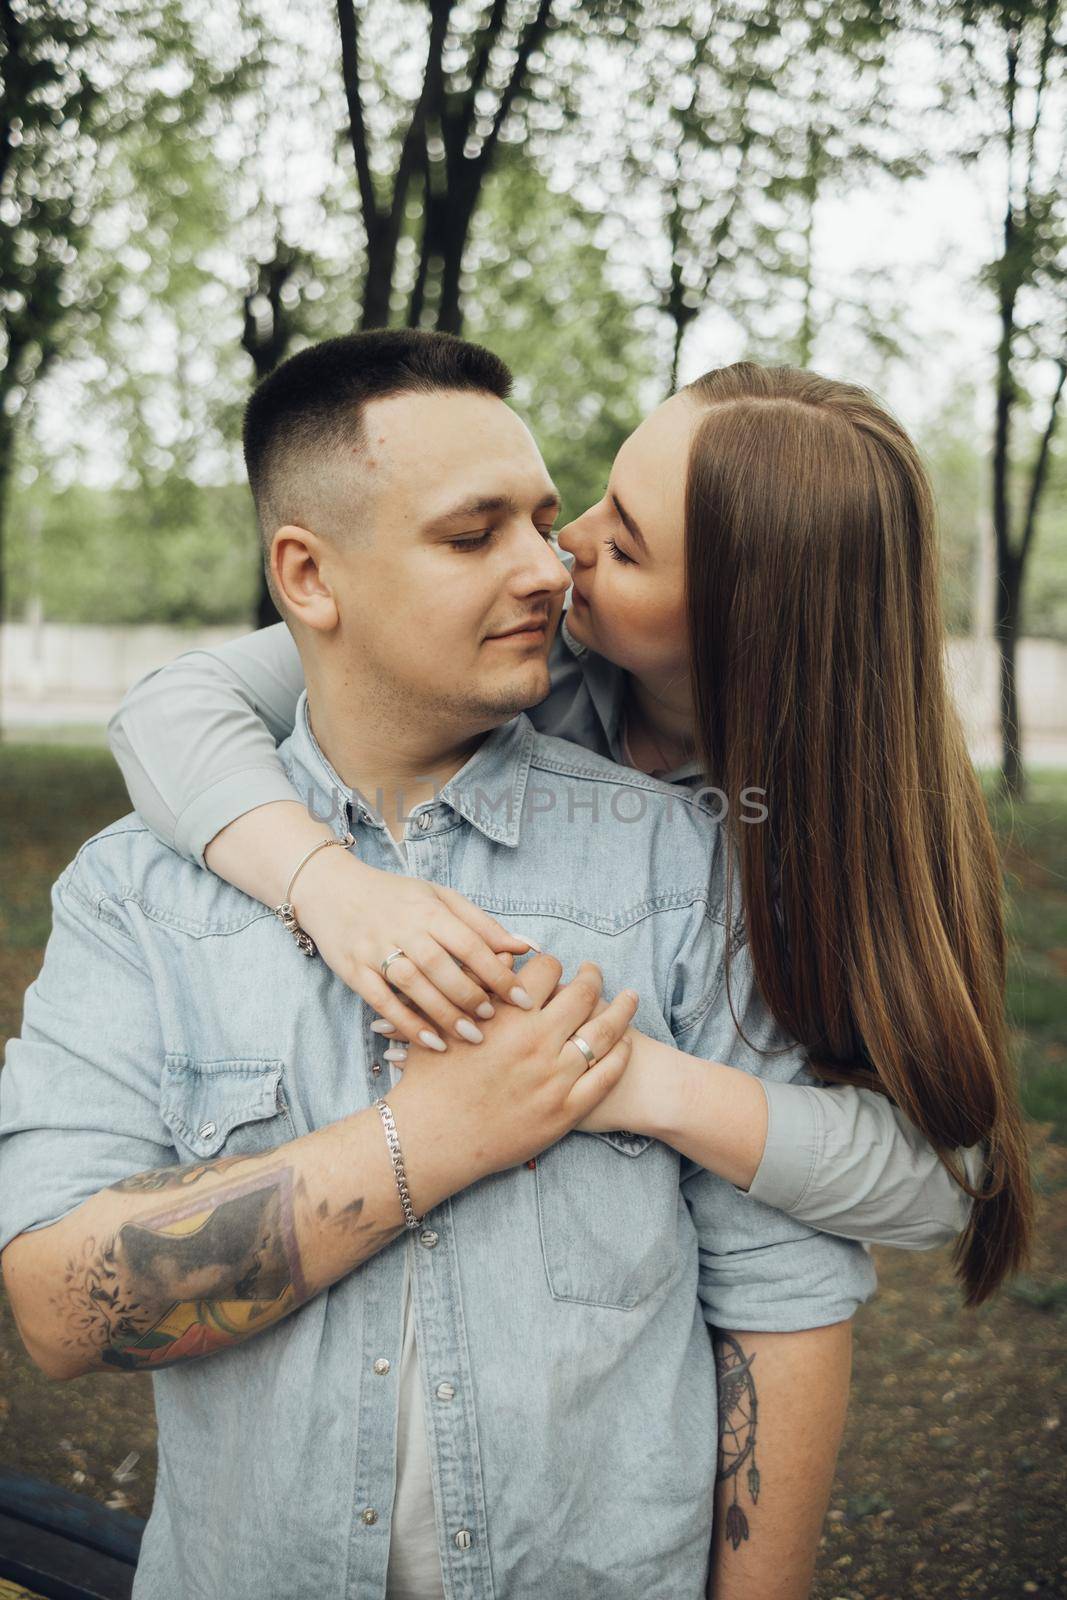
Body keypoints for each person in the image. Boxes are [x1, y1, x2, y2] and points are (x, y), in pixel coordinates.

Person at [0, 330, 884, 1600]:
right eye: (475, 536)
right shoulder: (136, 894)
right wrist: (438, 1136)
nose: (550, 564)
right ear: (307, 576)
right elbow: (58, 1306)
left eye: (545, 516)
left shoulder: (688, 870)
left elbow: (781, 1294)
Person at [107, 356, 1033, 1304]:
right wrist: (332, 889)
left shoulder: (845, 818)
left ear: (744, 622)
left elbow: (942, 1182)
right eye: (589, 507)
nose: (563, 554)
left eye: (622, 550)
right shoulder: (513, 651)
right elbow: (173, 708)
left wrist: (633, 1081)